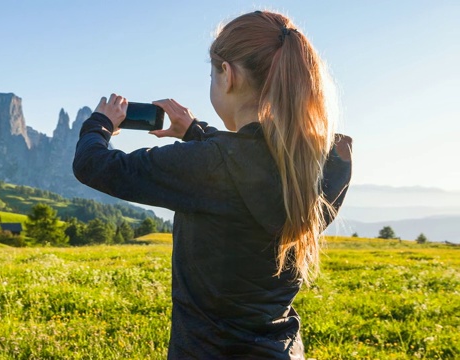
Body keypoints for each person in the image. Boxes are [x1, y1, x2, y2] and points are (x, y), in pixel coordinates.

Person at [73, 10, 352, 360]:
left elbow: (92, 165)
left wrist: (101, 123)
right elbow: (253, 163)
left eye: (212, 72)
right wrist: (196, 133)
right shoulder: (330, 159)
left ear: (227, 74)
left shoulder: (210, 165)